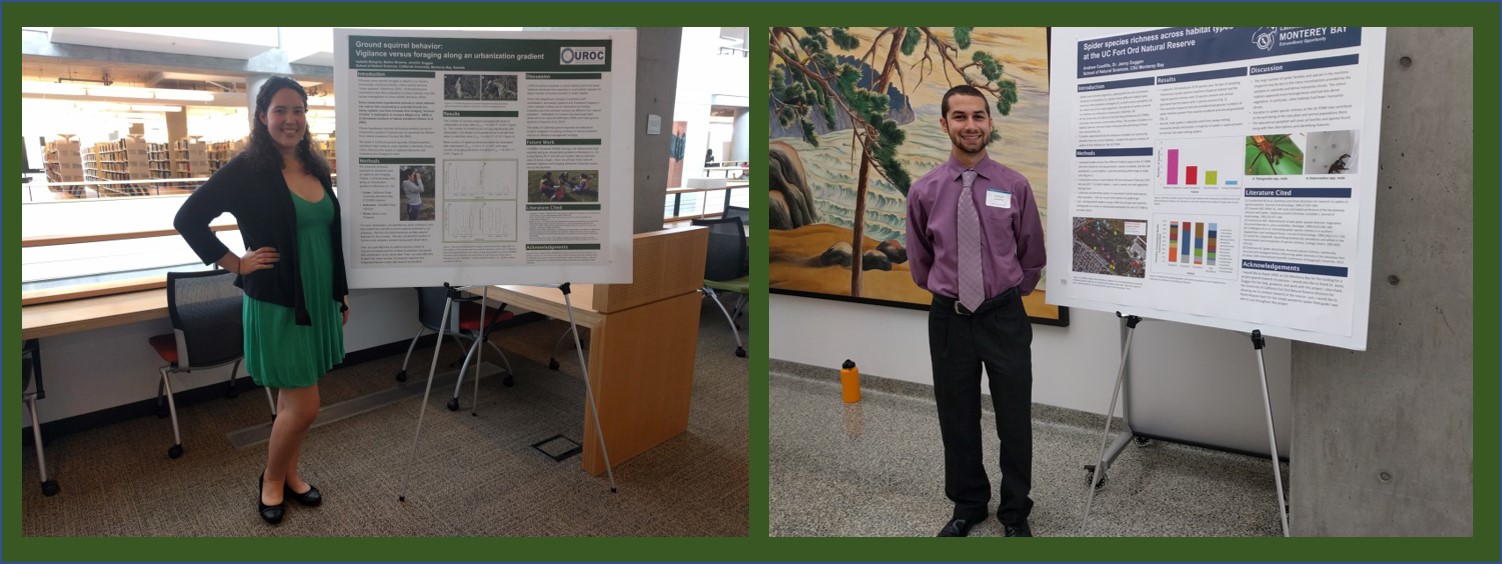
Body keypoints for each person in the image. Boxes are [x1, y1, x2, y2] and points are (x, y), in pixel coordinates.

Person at [174, 76, 348, 526]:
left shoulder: (316, 165)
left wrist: (339, 291)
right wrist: (234, 262)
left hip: (318, 296)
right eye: (280, 111)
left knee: (295, 403)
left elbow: (330, 235)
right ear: (262, 116)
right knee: (305, 405)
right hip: (278, 300)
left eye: (298, 111)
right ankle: (271, 478)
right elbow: (188, 217)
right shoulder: (246, 170)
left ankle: (289, 474)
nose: (290, 120)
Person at [904, 85, 1045, 538]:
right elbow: (921, 261)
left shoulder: (1014, 185)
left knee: (1014, 419)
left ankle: (1015, 512)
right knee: (957, 415)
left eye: (979, 116)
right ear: (944, 124)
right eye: (960, 116)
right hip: (950, 320)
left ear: (991, 122)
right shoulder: (924, 190)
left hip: (1003, 317)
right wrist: (954, 296)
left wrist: (1007, 294)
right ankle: (968, 504)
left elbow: (1031, 254)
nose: (971, 125)